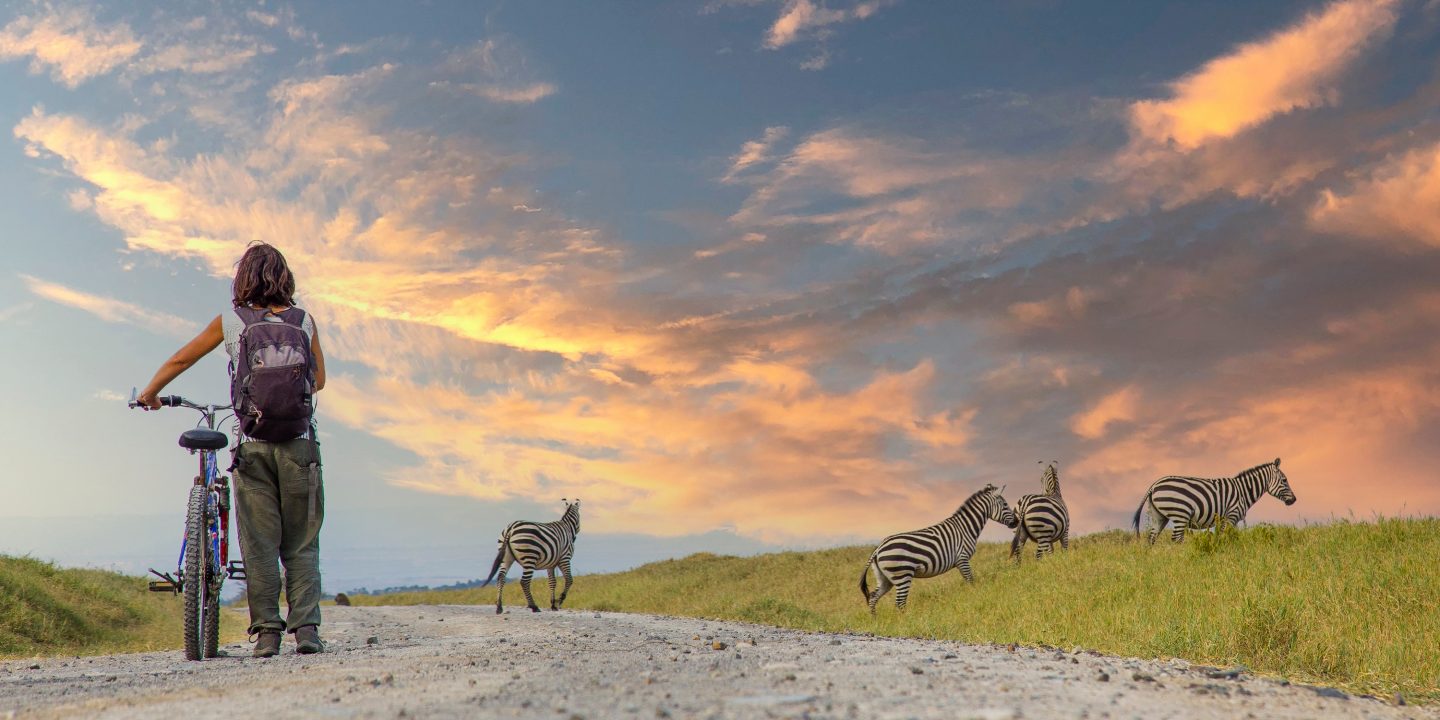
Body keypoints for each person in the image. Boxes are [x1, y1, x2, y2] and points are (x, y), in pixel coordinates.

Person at [137, 243, 327, 658]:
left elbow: (181, 360)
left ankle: (267, 635)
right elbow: (321, 381)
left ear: (243, 280)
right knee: (301, 543)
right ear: (286, 278)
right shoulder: (304, 321)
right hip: (299, 447)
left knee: (259, 543)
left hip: (253, 447)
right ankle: (307, 632)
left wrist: (151, 393)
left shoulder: (232, 322)